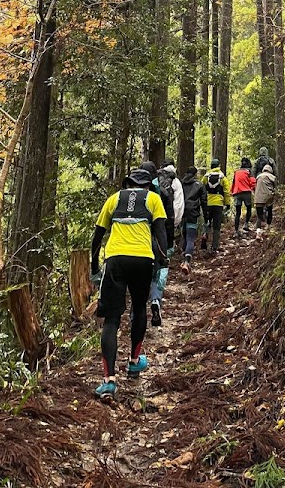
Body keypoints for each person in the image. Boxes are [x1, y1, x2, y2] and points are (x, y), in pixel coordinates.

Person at [91, 167, 167, 400]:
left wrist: (94, 267)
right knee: (139, 308)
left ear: (128, 183)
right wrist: (163, 260)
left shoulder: (113, 199)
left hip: (115, 260)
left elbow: (97, 235)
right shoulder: (153, 199)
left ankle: (108, 381)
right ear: (147, 185)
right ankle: (134, 362)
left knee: (111, 318)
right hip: (143, 259)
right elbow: (161, 232)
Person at [147, 159, 185, 327]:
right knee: (157, 272)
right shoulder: (168, 186)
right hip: (159, 236)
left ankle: (138, 312)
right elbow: (172, 211)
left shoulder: (131, 194)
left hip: (137, 241)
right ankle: (156, 299)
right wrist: (169, 241)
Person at [179, 166, 208, 273]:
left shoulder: (180, 183)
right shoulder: (199, 185)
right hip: (193, 212)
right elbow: (204, 201)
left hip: (182, 212)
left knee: (184, 234)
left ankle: (183, 256)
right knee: (191, 237)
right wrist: (206, 215)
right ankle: (187, 262)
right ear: (195, 174)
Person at [202, 157, 231, 253]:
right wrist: (227, 203)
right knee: (217, 226)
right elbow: (226, 192)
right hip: (218, 203)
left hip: (208, 203)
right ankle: (214, 246)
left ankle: (205, 235)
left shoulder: (206, 176)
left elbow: (202, 188)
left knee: (207, 222)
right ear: (219, 166)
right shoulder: (223, 177)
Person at [230, 157, 256, 234]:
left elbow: (233, 183)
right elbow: (253, 182)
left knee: (238, 212)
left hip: (237, 193)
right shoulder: (249, 172)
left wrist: (231, 192)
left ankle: (236, 230)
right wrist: (253, 189)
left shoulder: (236, 172)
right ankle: (246, 224)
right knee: (248, 208)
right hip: (246, 192)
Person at [254, 163, 276, 233]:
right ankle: (268, 227)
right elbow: (276, 187)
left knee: (259, 215)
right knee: (269, 211)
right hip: (268, 196)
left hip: (258, 197)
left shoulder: (258, 177)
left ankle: (258, 232)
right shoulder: (272, 177)